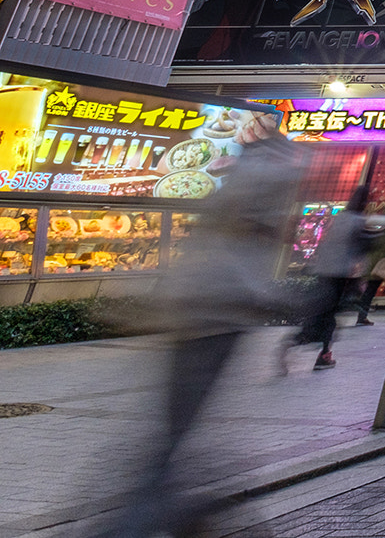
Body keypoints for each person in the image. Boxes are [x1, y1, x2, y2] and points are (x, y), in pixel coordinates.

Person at [96, 120, 305, 537]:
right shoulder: (269, 179)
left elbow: (224, 241)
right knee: (171, 439)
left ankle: (170, 514)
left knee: (172, 435)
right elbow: (241, 248)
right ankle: (150, 519)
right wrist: (278, 297)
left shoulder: (248, 177)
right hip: (214, 317)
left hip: (202, 312)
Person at [284, 186, 372, 370]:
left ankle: (298, 339)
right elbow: (362, 248)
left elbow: (326, 240)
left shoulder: (339, 218)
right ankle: (323, 353)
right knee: (332, 313)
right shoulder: (359, 221)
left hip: (324, 269)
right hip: (342, 273)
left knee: (322, 308)